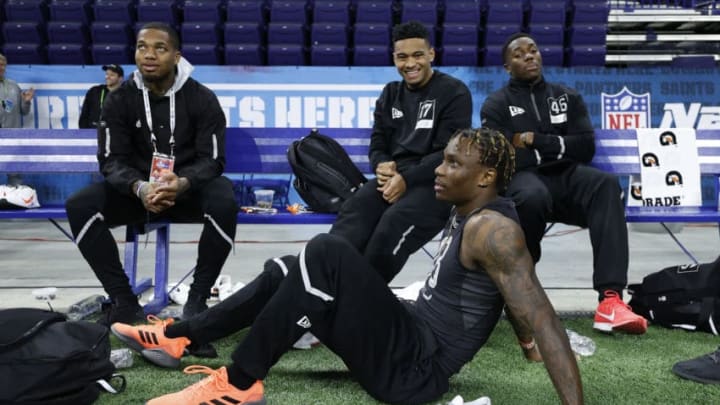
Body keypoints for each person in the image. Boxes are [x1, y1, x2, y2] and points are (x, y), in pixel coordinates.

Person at [111, 128, 584, 405]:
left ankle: (236, 384)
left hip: (412, 371)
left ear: (485, 177)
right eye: (442, 161)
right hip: (405, 337)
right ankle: (183, 335)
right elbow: (515, 303)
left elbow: (542, 316)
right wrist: (523, 343)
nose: (439, 170)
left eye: (453, 164)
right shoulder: (471, 211)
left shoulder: (494, 230)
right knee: (288, 269)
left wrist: (539, 348)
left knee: (325, 252)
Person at [65, 22, 237, 325]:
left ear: (176, 56)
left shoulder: (202, 98)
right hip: (136, 193)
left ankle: (196, 301)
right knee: (80, 205)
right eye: (142, 46)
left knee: (224, 199)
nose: (149, 54)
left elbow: (212, 160)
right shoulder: (120, 99)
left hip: (187, 191)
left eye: (160, 48)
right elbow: (110, 161)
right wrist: (139, 187)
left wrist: (182, 182)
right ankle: (124, 302)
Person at [480, 32, 647, 335]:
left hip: (567, 179)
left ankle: (611, 300)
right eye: (519, 54)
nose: (529, 56)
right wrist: (555, 147)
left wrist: (537, 141)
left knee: (606, 185)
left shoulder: (567, 96)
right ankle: (520, 293)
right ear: (507, 66)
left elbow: (585, 147)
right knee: (531, 195)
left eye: (533, 50)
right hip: (525, 184)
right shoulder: (497, 104)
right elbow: (504, 157)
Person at [329, 20, 472, 282]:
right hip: (395, 179)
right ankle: (322, 284)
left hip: (439, 184)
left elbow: (449, 154)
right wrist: (381, 164)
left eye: (418, 55)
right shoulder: (390, 92)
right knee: (354, 212)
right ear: (394, 58)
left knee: (392, 224)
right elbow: (378, 142)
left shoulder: (454, 92)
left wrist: (407, 180)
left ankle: (361, 298)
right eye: (402, 57)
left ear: (431, 54)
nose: (410, 64)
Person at [0, 52, 35, 186]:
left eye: (3, 65)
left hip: (11, 134)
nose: (1, 68)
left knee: (14, 169)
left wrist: (26, 101)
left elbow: (23, 112)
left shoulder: (13, 86)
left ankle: (14, 197)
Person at [78, 64, 124, 128]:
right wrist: (84, 134)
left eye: (112, 75)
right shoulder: (94, 91)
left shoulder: (125, 94)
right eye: (107, 74)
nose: (108, 77)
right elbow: (84, 116)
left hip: (116, 134)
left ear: (120, 79)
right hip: (92, 133)